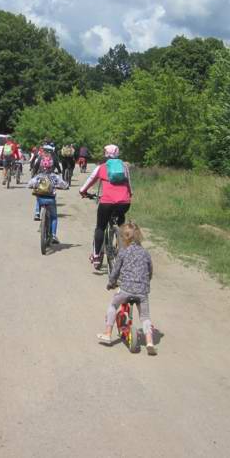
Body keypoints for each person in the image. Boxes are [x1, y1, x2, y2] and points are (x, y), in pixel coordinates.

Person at [97, 222, 156, 355]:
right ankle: (150, 342)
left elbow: (116, 270)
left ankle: (107, 333)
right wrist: (146, 281)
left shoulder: (123, 252)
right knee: (145, 317)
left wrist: (111, 283)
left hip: (126, 289)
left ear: (124, 239)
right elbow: (150, 270)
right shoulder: (146, 253)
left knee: (113, 305)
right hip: (142, 291)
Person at [79, 144, 132, 270]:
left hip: (107, 203)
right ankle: (123, 251)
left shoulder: (101, 167)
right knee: (121, 224)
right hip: (124, 203)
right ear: (118, 154)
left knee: (100, 227)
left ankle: (96, 255)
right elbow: (129, 185)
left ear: (105, 154)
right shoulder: (124, 167)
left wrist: (83, 191)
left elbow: (90, 180)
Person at [27, 167, 69, 243]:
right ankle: (53, 235)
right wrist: (66, 186)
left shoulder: (39, 176)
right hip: (51, 199)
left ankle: (38, 213)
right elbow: (63, 184)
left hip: (40, 200)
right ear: (52, 167)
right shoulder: (55, 176)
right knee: (54, 217)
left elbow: (30, 183)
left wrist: (31, 186)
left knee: (39, 201)